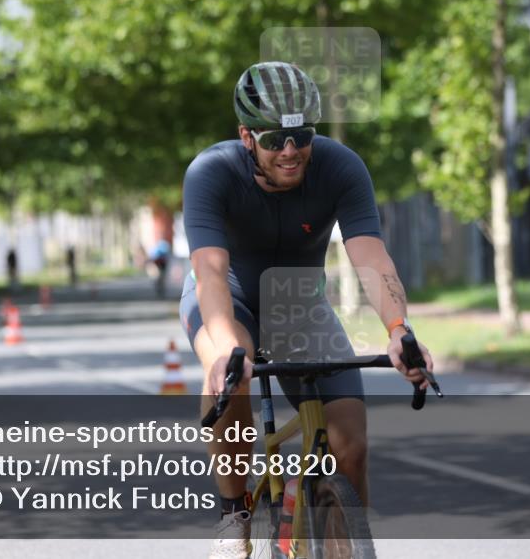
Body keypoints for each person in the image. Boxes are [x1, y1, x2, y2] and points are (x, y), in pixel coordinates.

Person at [180, 62, 434, 558]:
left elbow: (371, 257)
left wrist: (400, 330)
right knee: (230, 374)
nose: (291, 151)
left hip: (300, 305)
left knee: (350, 443)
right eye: (275, 140)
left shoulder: (340, 166)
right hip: (226, 300)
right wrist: (227, 347)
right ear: (246, 135)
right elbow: (209, 271)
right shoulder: (211, 172)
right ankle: (235, 515)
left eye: (301, 136)